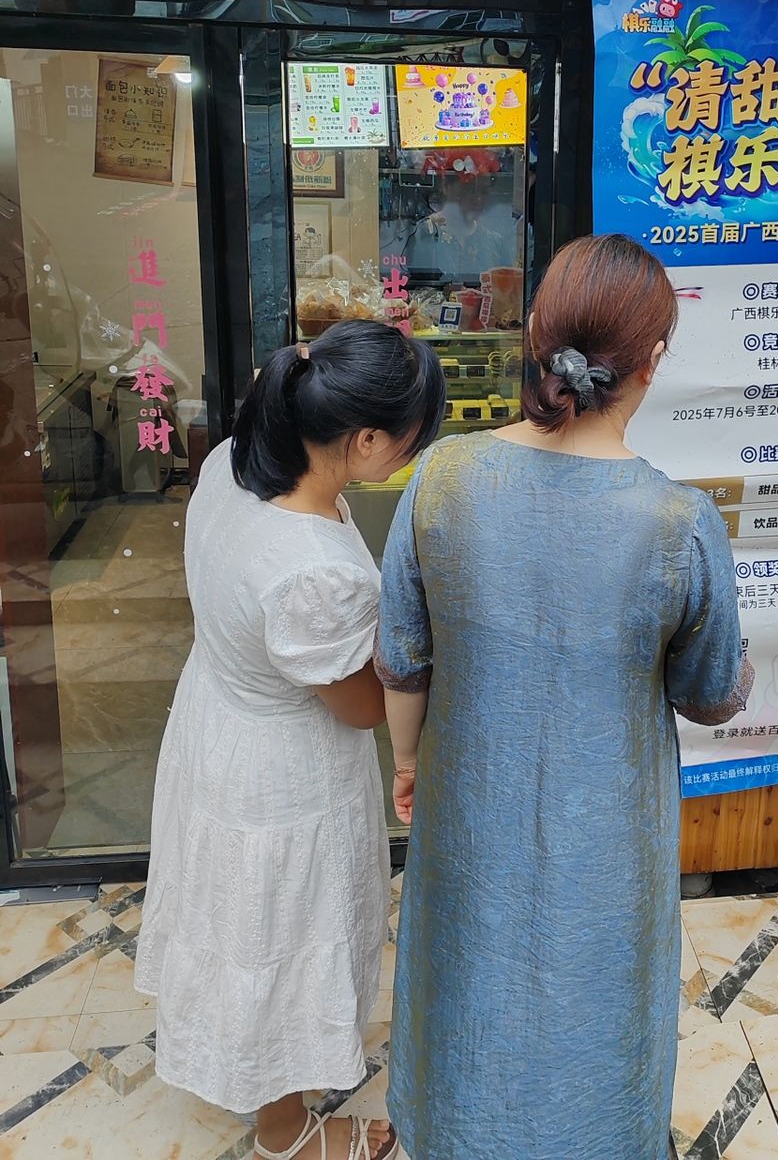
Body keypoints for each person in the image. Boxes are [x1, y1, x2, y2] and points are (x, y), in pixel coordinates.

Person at [374, 234, 750, 1160]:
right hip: (609, 835)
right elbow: (709, 694)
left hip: (469, 805)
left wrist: (409, 762)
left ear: (535, 333)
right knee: (599, 998)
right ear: (652, 360)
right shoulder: (678, 520)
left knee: (465, 979)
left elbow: (401, 658)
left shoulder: (442, 477)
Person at [135, 321, 445, 1160]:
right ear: (366, 439)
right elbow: (360, 706)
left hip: (218, 720)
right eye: (412, 436)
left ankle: (264, 1085)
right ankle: (286, 1132)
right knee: (276, 929)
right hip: (282, 771)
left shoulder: (232, 462)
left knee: (236, 913)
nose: (414, 451)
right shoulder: (313, 571)